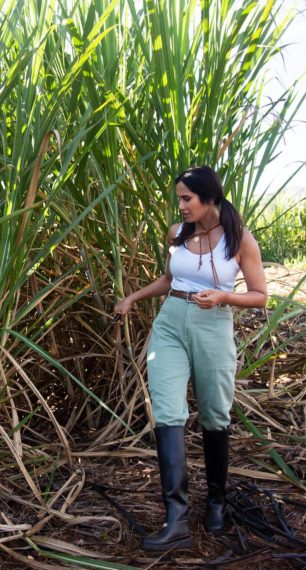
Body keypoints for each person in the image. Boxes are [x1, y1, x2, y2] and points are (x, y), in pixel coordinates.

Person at [113, 165, 267, 551]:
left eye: (187, 198)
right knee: (167, 411)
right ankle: (176, 520)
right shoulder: (177, 234)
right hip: (170, 322)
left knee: (215, 414)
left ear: (210, 198)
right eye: (179, 198)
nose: (180, 206)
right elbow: (170, 279)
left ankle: (216, 503)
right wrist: (133, 298)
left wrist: (224, 296)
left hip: (212, 324)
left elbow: (260, 295)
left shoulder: (239, 239)